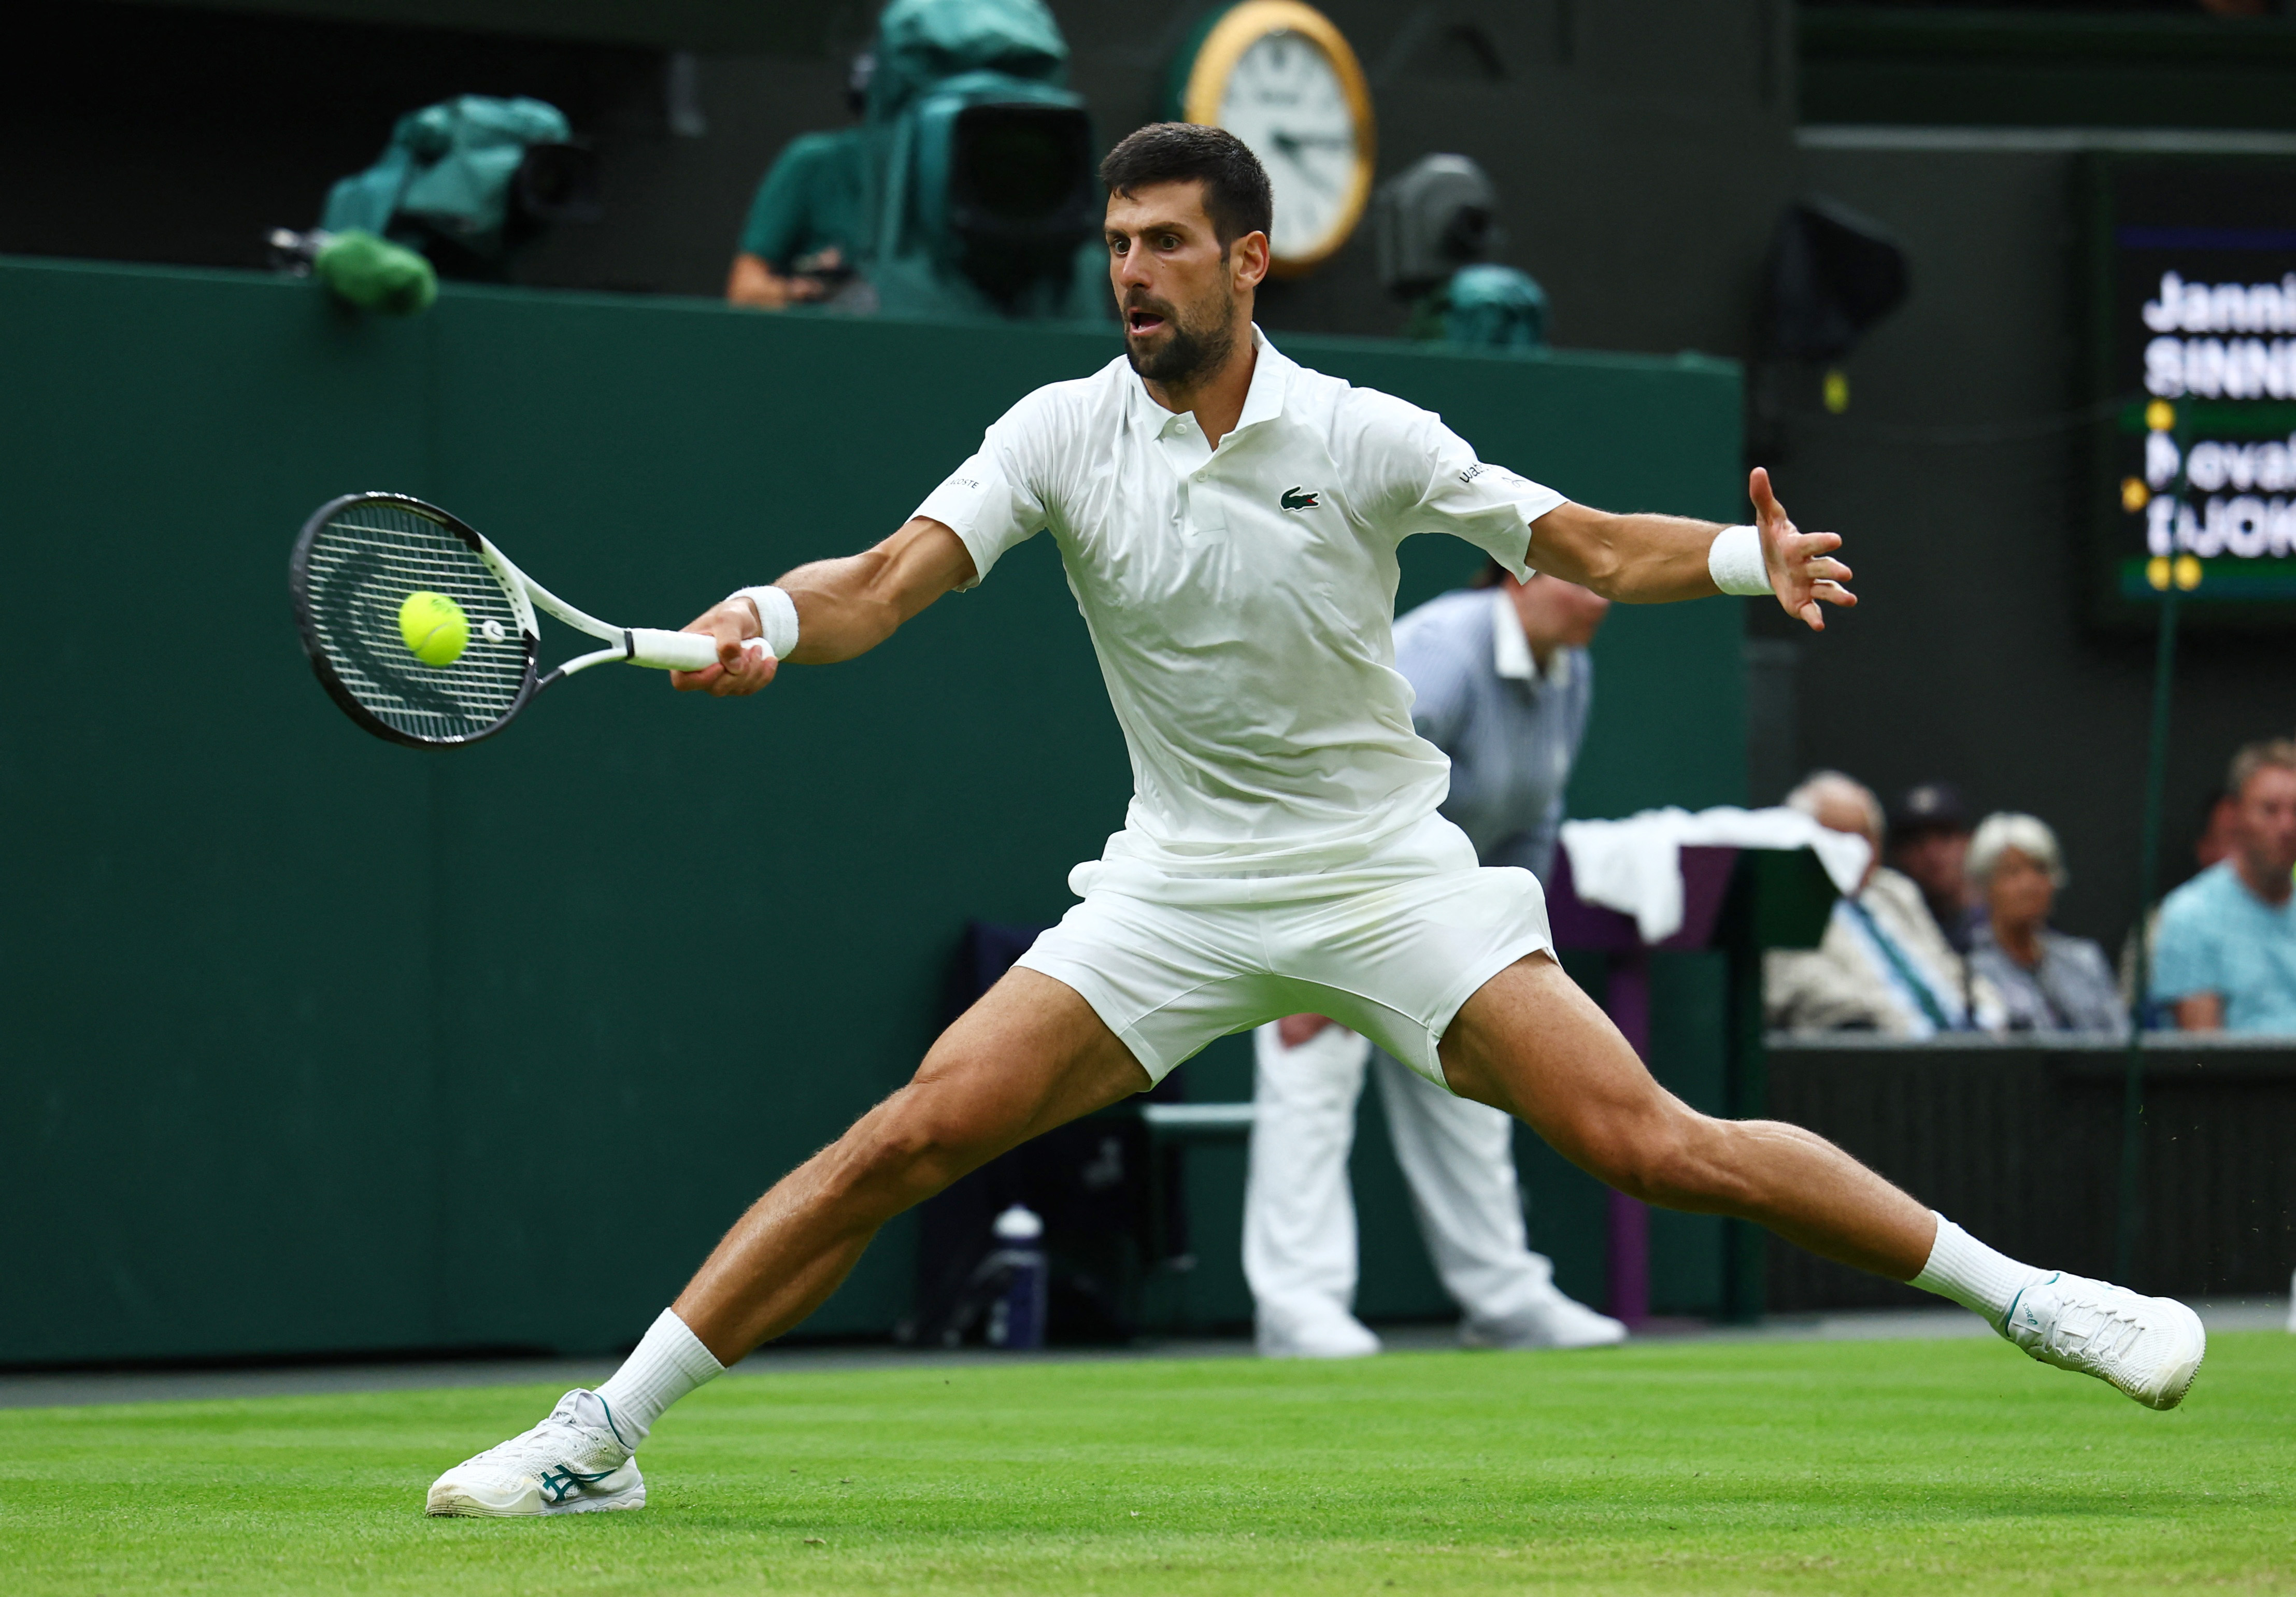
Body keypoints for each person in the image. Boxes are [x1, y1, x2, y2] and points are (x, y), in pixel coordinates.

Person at [424, 123, 2205, 1518]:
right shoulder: (1058, 431)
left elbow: (1574, 541)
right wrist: (774, 618)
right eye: (1116, 245)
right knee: (909, 1138)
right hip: (1176, 885)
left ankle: (2043, 1298)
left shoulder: (1361, 435)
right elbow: (890, 579)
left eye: (1167, 244)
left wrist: (1751, 557)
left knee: (1653, 1140)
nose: (1132, 273)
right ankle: (607, 1433)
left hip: (1382, 876)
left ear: (1248, 259)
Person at [1245, 567, 1622, 1359]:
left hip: (1432, 913)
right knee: (1312, 1078)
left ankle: (1503, 1299)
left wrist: (1516, 954)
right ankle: (1297, 1309)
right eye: (1581, 579)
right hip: (1322, 882)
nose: (1601, 596)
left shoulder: (1570, 671)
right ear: (1517, 578)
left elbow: (1531, 818)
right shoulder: (1444, 651)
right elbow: (1347, 785)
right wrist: (1321, 946)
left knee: (1475, 1094)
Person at [1765, 772, 1999, 1036]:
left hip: (1962, 1047)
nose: (1855, 849)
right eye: (1838, 836)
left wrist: (1988, 1012)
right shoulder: (1788, 905)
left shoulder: (1895, 892)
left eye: (1865, 836)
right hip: (1878, 1055)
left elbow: (1950, 968)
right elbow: (1815, 996)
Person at [2151, 738, 2296, 1034]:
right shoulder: (2191, 916)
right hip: (2251, 1080)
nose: (2287, 828)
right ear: (2236, 816)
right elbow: (2205, 1060)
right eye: (2270, 810)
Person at [1963, 812, 2124, 1035]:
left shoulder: (2085, 961)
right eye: (2012, 872)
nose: (2029, 885)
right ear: (1985, 885)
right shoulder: (1969, 971)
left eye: (2040, 870)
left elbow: (2121, 1040)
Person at [1888, 781, 1977, 952]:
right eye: (1917, 842)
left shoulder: (2001, 924)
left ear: (1968, 842)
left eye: (1945, 836)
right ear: (1898, 855)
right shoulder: (1890, 931)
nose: (1932, 854)